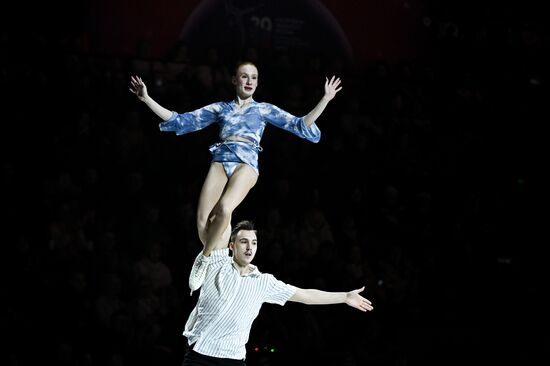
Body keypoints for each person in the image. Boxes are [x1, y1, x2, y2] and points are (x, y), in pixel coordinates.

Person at [129, 62, 343, 288]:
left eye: (254, 77)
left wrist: (326, 99)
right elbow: (182, 121)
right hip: (221, 159)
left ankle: (204, 259)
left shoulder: (263, 110)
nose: (250, 81)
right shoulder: (221, 108)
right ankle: (222, 264)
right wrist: (146, 98)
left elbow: (300, 124)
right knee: (204, 225)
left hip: (247, 162)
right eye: (244, 76)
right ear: (234, 80)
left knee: (223, 209)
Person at [182, 220, 373, 365]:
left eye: (254, 243)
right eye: (243, 242)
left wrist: (345, 296)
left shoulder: (264, 282)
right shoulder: (218, 264)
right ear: (232, 246)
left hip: (233, 359)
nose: (250, 247)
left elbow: (305, 296)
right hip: (199, 354)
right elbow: (221, 216)